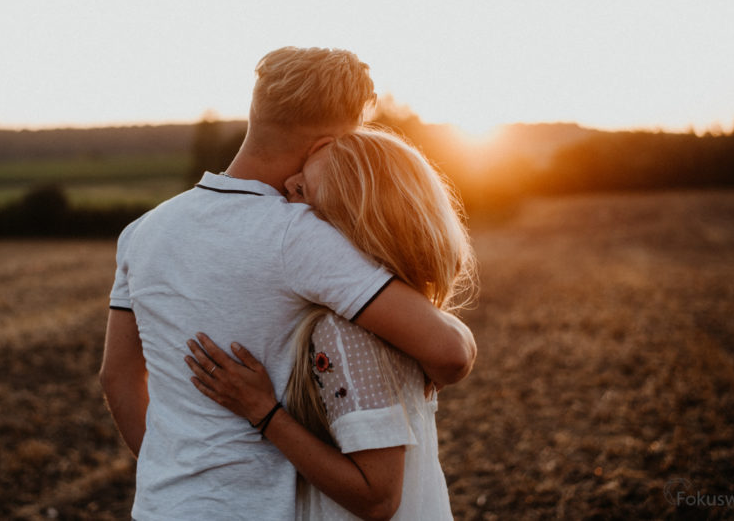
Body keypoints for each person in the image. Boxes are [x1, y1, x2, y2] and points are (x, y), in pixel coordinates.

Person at [99, 47, 476, 520]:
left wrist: (174, 477)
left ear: (257, 111)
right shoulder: (299, 236)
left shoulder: (143, 232)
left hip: (162, 508)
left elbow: (117, 377)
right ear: (327, 143)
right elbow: (450, 353)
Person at [185, 127, 476, 519]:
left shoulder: (347, 332)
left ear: (342, 223)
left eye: (302, 189)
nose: (286, 183)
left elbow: (377, 499)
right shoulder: (397, 318)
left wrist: (263, 411)